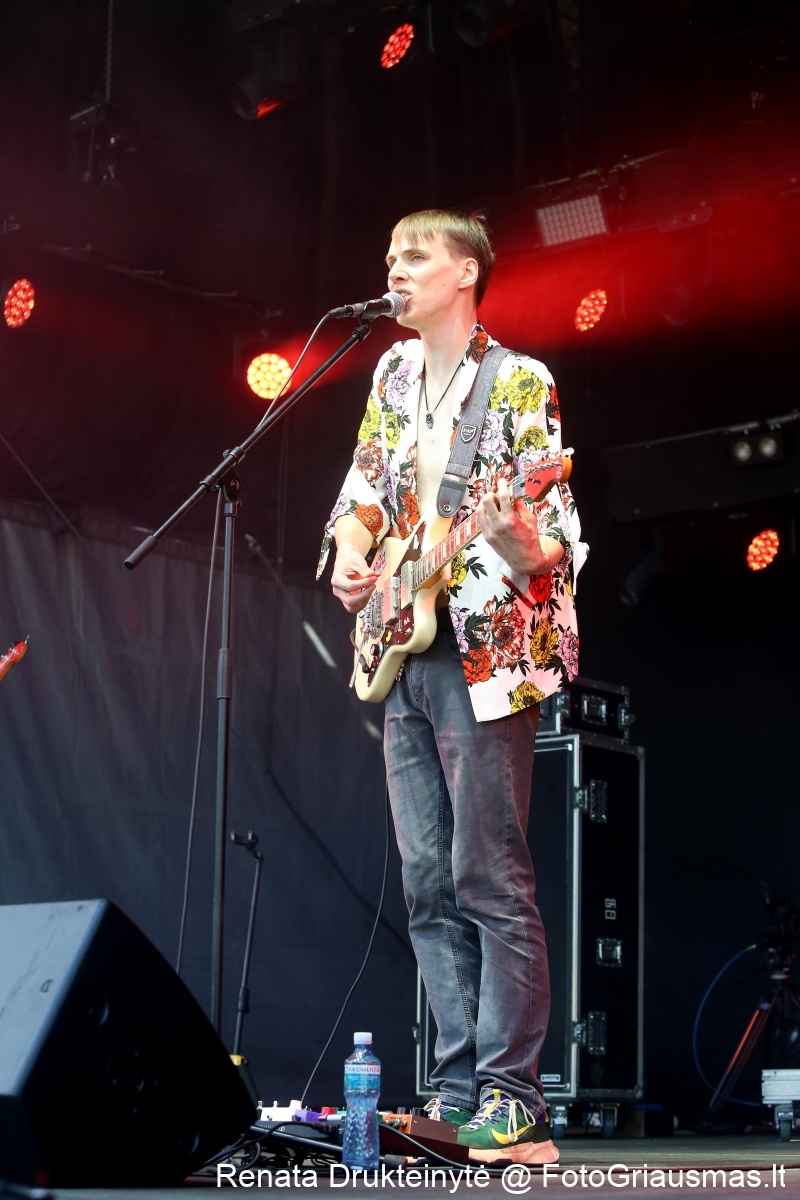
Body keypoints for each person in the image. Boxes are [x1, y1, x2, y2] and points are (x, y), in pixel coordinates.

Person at [317, 210, 587, 1164]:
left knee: (489, 873)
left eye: (415, 256)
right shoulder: (393, 373)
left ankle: (517, 1102)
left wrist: (519, 538)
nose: (394, 269)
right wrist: (353, 556)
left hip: (488, 651)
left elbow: (551, 532)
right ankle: (460, 1089)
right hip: (407, 648)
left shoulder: (519, 381)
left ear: (466, 272)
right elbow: (364, 490)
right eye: (389, 256)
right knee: (428, 882)